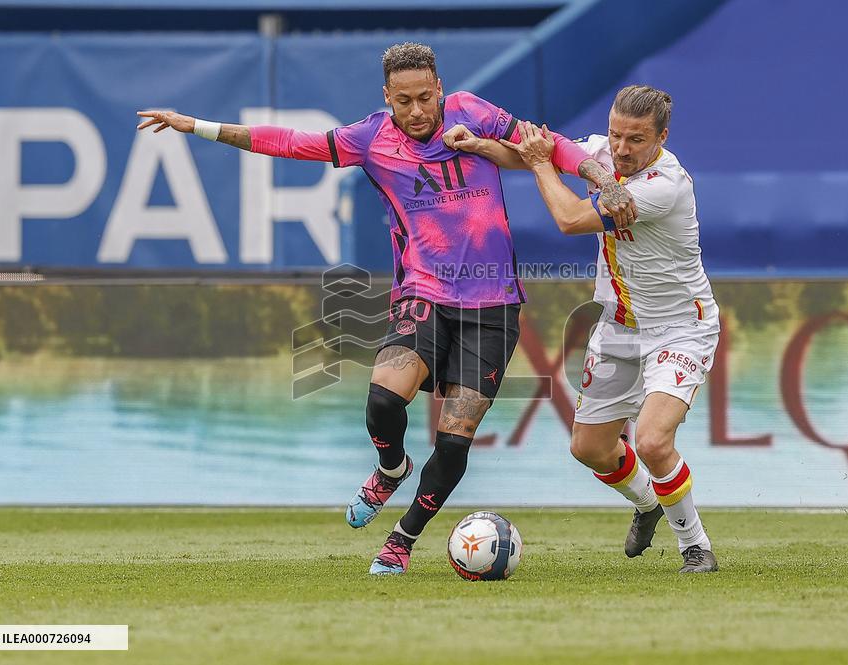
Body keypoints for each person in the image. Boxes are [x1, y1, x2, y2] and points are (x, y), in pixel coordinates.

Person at [136, 42, 635, 575]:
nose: (417, 111)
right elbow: (287, 143)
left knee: (455, 437)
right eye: (404, 101)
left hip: (493, 306)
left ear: (440, 89)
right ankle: (391, 469)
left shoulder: (473, 113)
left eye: (425, 97)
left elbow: (548, 145)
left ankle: (401, 540)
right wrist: (195, 125)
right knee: (380, 402)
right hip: (423, 294)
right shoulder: (371, 138)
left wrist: (604, 179)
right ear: (387, 99)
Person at [446, 85, 720, 573]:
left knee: (654, 442)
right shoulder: (600, 152)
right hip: (618, 327)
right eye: (616, 134)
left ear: (662, 137)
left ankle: (695, 547)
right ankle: (648, 504)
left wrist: (539, 164)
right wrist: (479, 145)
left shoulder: (664, 186)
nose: (620, 148)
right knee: (589, 448)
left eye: (635, 139)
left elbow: (570, 219)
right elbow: (536, 149)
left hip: (679, 328)